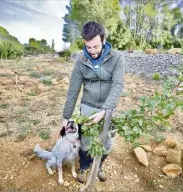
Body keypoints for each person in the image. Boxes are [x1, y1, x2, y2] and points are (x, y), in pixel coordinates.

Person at [61, 21, 125, 183]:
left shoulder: (116, 58)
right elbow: (73, 91)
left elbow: (118, 85)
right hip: (88, 106)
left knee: (108, 140)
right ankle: (84, 166)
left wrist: (105, 110)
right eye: (88, 47)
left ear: (103, 40)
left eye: (96, 46)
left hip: (109, 107)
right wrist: (66, 117)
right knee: (86, 140)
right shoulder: (81, 61)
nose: (92, 51)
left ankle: (99, 165)